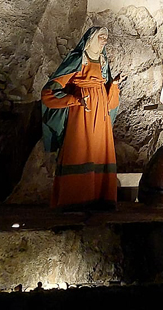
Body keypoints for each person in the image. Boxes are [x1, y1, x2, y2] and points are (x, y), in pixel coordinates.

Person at [41, 25, 122, 209]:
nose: (105, 40)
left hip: (100, 112)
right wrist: (74, 99)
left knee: (99, 150)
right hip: (82, 113)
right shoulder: (78, 59)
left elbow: (110, 100)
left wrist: (114, 85)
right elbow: (49, 91)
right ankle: (75, 198)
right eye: (101, 36)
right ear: (92, 39)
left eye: (106, 37)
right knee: (81, 148)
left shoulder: (103, 61)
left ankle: (99, 198)